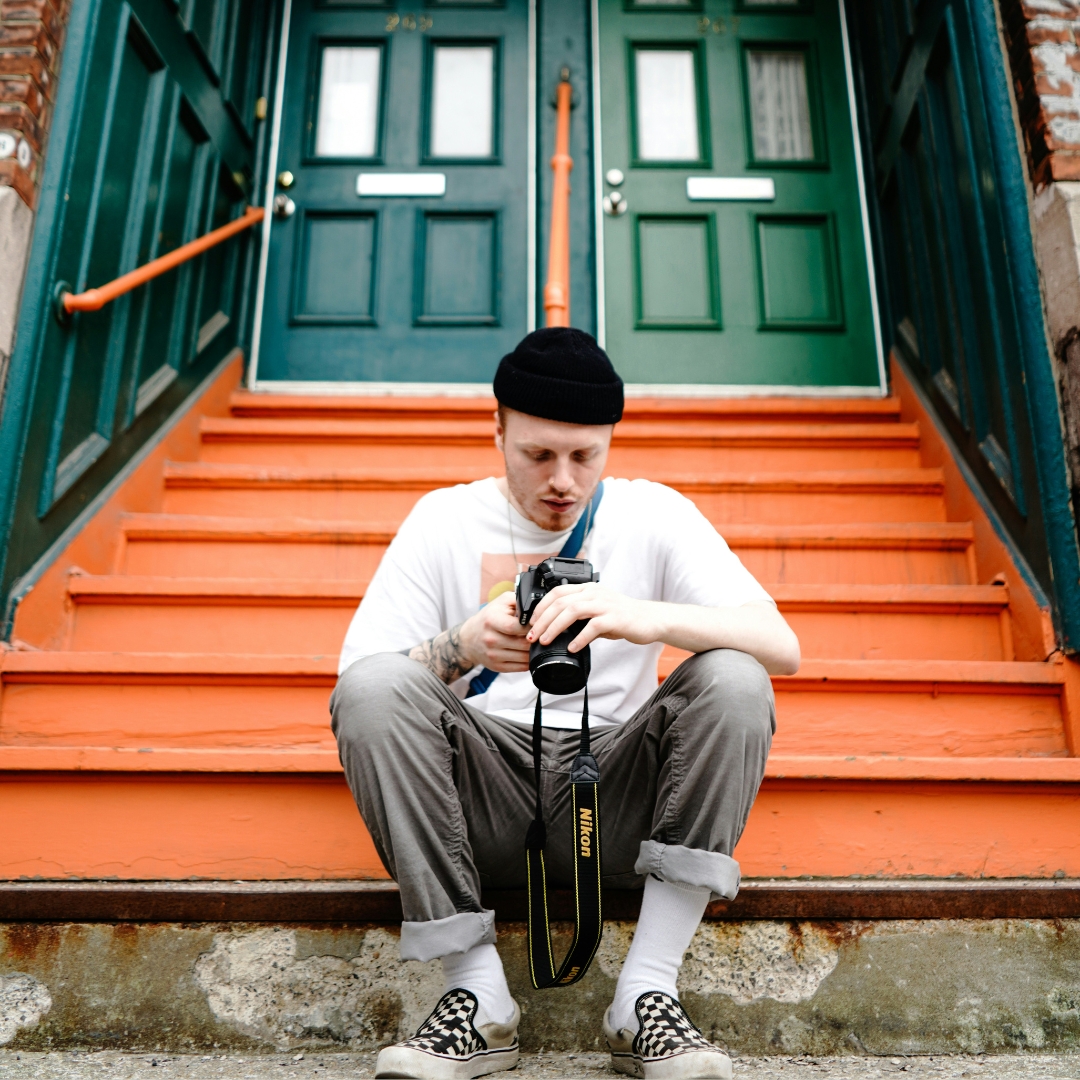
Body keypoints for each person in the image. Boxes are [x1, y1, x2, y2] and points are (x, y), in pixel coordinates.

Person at [331, 327, 800, 1080]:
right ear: (498, 431)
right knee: (377, 688)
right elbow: (358, 683)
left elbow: (782, 645)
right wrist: (460, 647)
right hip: (482, 791)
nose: (563, 481)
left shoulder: (653, 515)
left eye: (586, 456)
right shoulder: (443, 520)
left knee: (736, 677)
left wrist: (646, 617)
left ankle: (645, 994)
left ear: (612, 441)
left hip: (612, 788)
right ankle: (476, 995)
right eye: (538, 455)